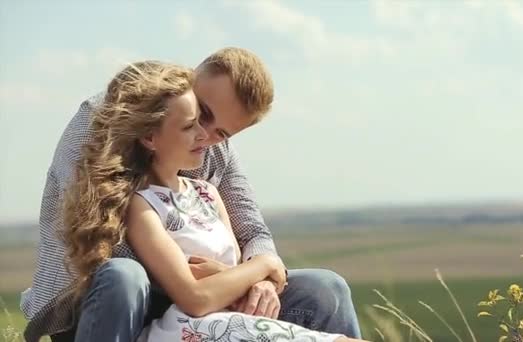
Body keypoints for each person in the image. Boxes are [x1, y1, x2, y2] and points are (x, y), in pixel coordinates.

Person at [21, 47, 363, 342]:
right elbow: (100, 232)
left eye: (223, 132)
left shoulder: (214, 150)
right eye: (205, 114)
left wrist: (262, 282)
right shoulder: (99, 120)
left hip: (204, 301)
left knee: (325, 288)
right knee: (125, 274)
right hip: (99, 298)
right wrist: (229, 278)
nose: (206, 135)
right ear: (192, 77)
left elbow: (253, 231)